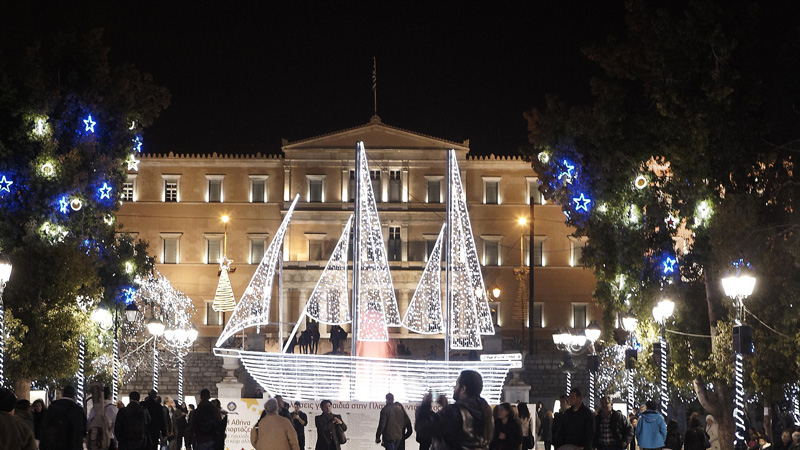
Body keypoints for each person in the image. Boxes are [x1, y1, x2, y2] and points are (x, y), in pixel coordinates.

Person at [415, 369, 494, 450]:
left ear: (463, 389)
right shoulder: (485, 411)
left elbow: (422, 427)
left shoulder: (454, 412)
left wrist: (425, 404)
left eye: (456, 384)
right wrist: (445, 408)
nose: (454, 387)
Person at [40, 385, 87, 450]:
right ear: (74, 396)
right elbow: (83, 431)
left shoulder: (52, 408)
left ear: (62, 394)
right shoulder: (78, 411)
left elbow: (43, 427)